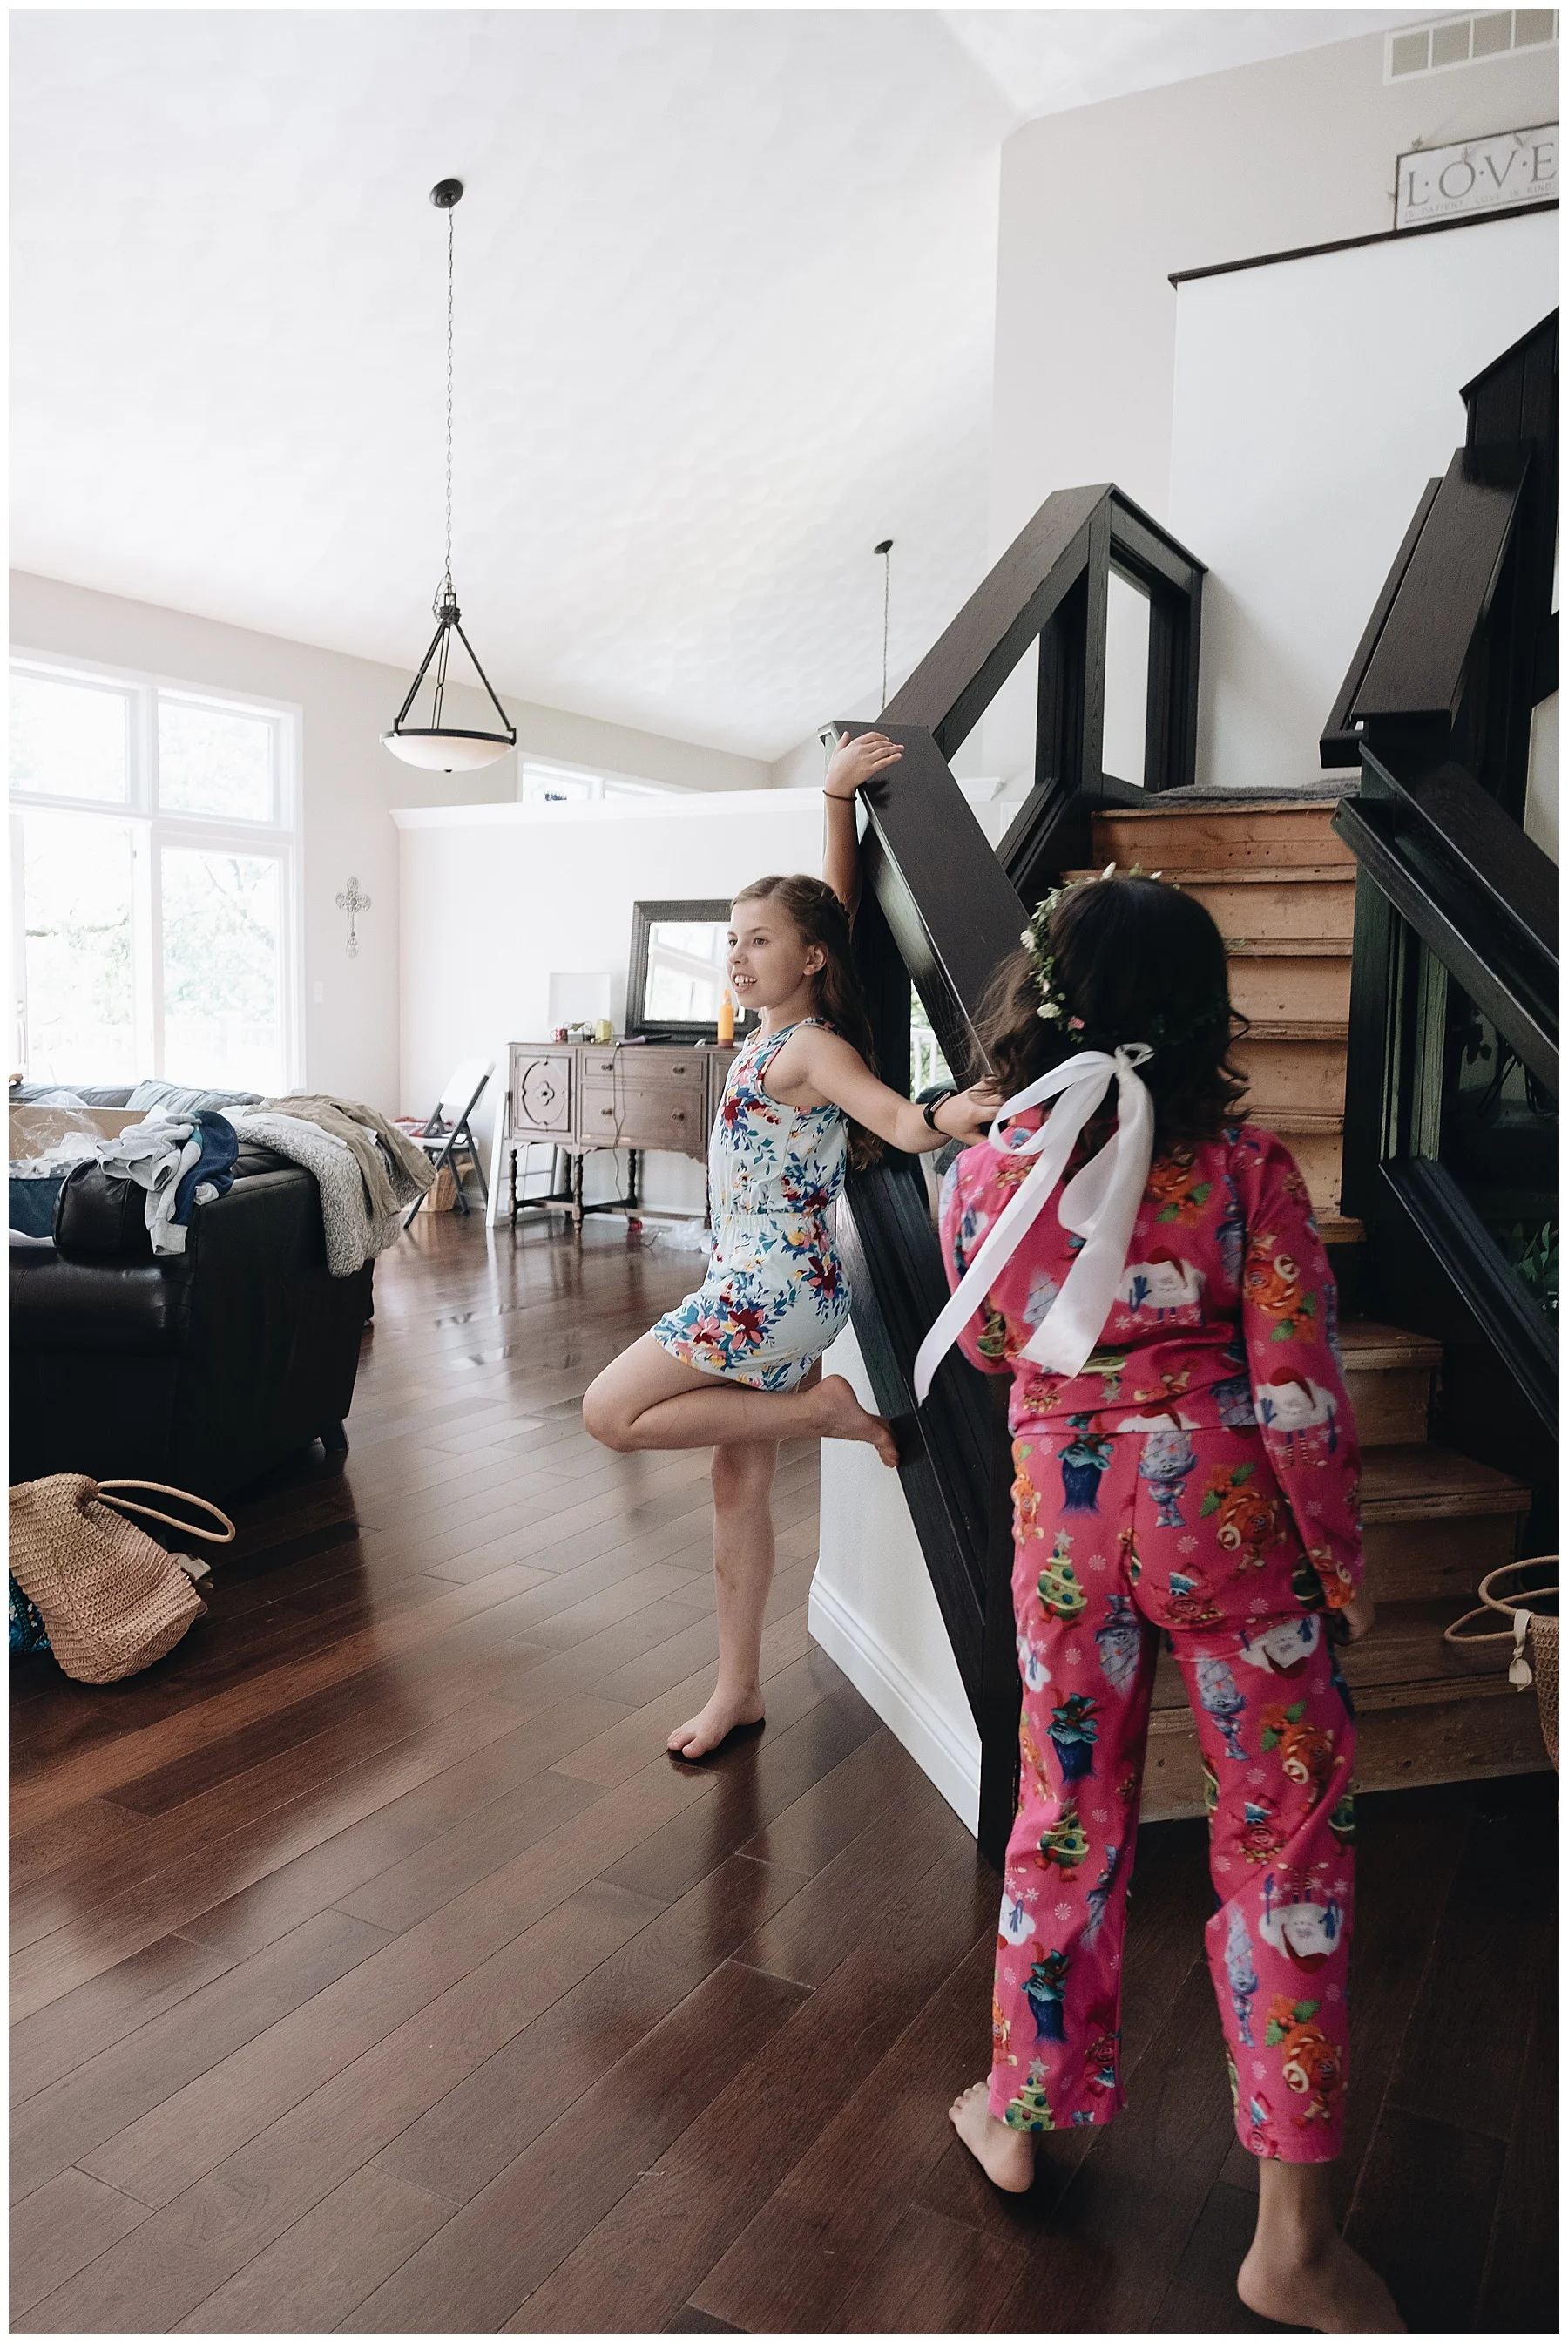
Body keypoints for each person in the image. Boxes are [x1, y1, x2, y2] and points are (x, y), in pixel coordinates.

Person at [918, 870, 1403, 2335]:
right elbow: (1297, 1385)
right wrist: (1339, 1562)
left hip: (1065, 1524)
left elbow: (993, 1345)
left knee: (1065, 1811)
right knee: (1284, 1842)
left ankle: (1023, 2112)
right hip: (1229, 1524)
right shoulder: (1248, 1170)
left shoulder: (988, 1170)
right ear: (1205, 1014)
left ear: (1038, 1000)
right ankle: (1291, 2243)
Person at [583, 729, 997, 1760]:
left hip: (771, 1290)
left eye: (757, 939)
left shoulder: (809, 1048)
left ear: (804, 957)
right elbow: (835, 916)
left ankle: (825, 1412)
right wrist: (832, 805)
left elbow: (895, 1118)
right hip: (775, 1281)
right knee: (737, 1479)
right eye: (732, 939)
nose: (737, 954)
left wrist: (948, 1114)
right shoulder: (782, 1031)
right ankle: (740, 1688)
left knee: (609, 1412)